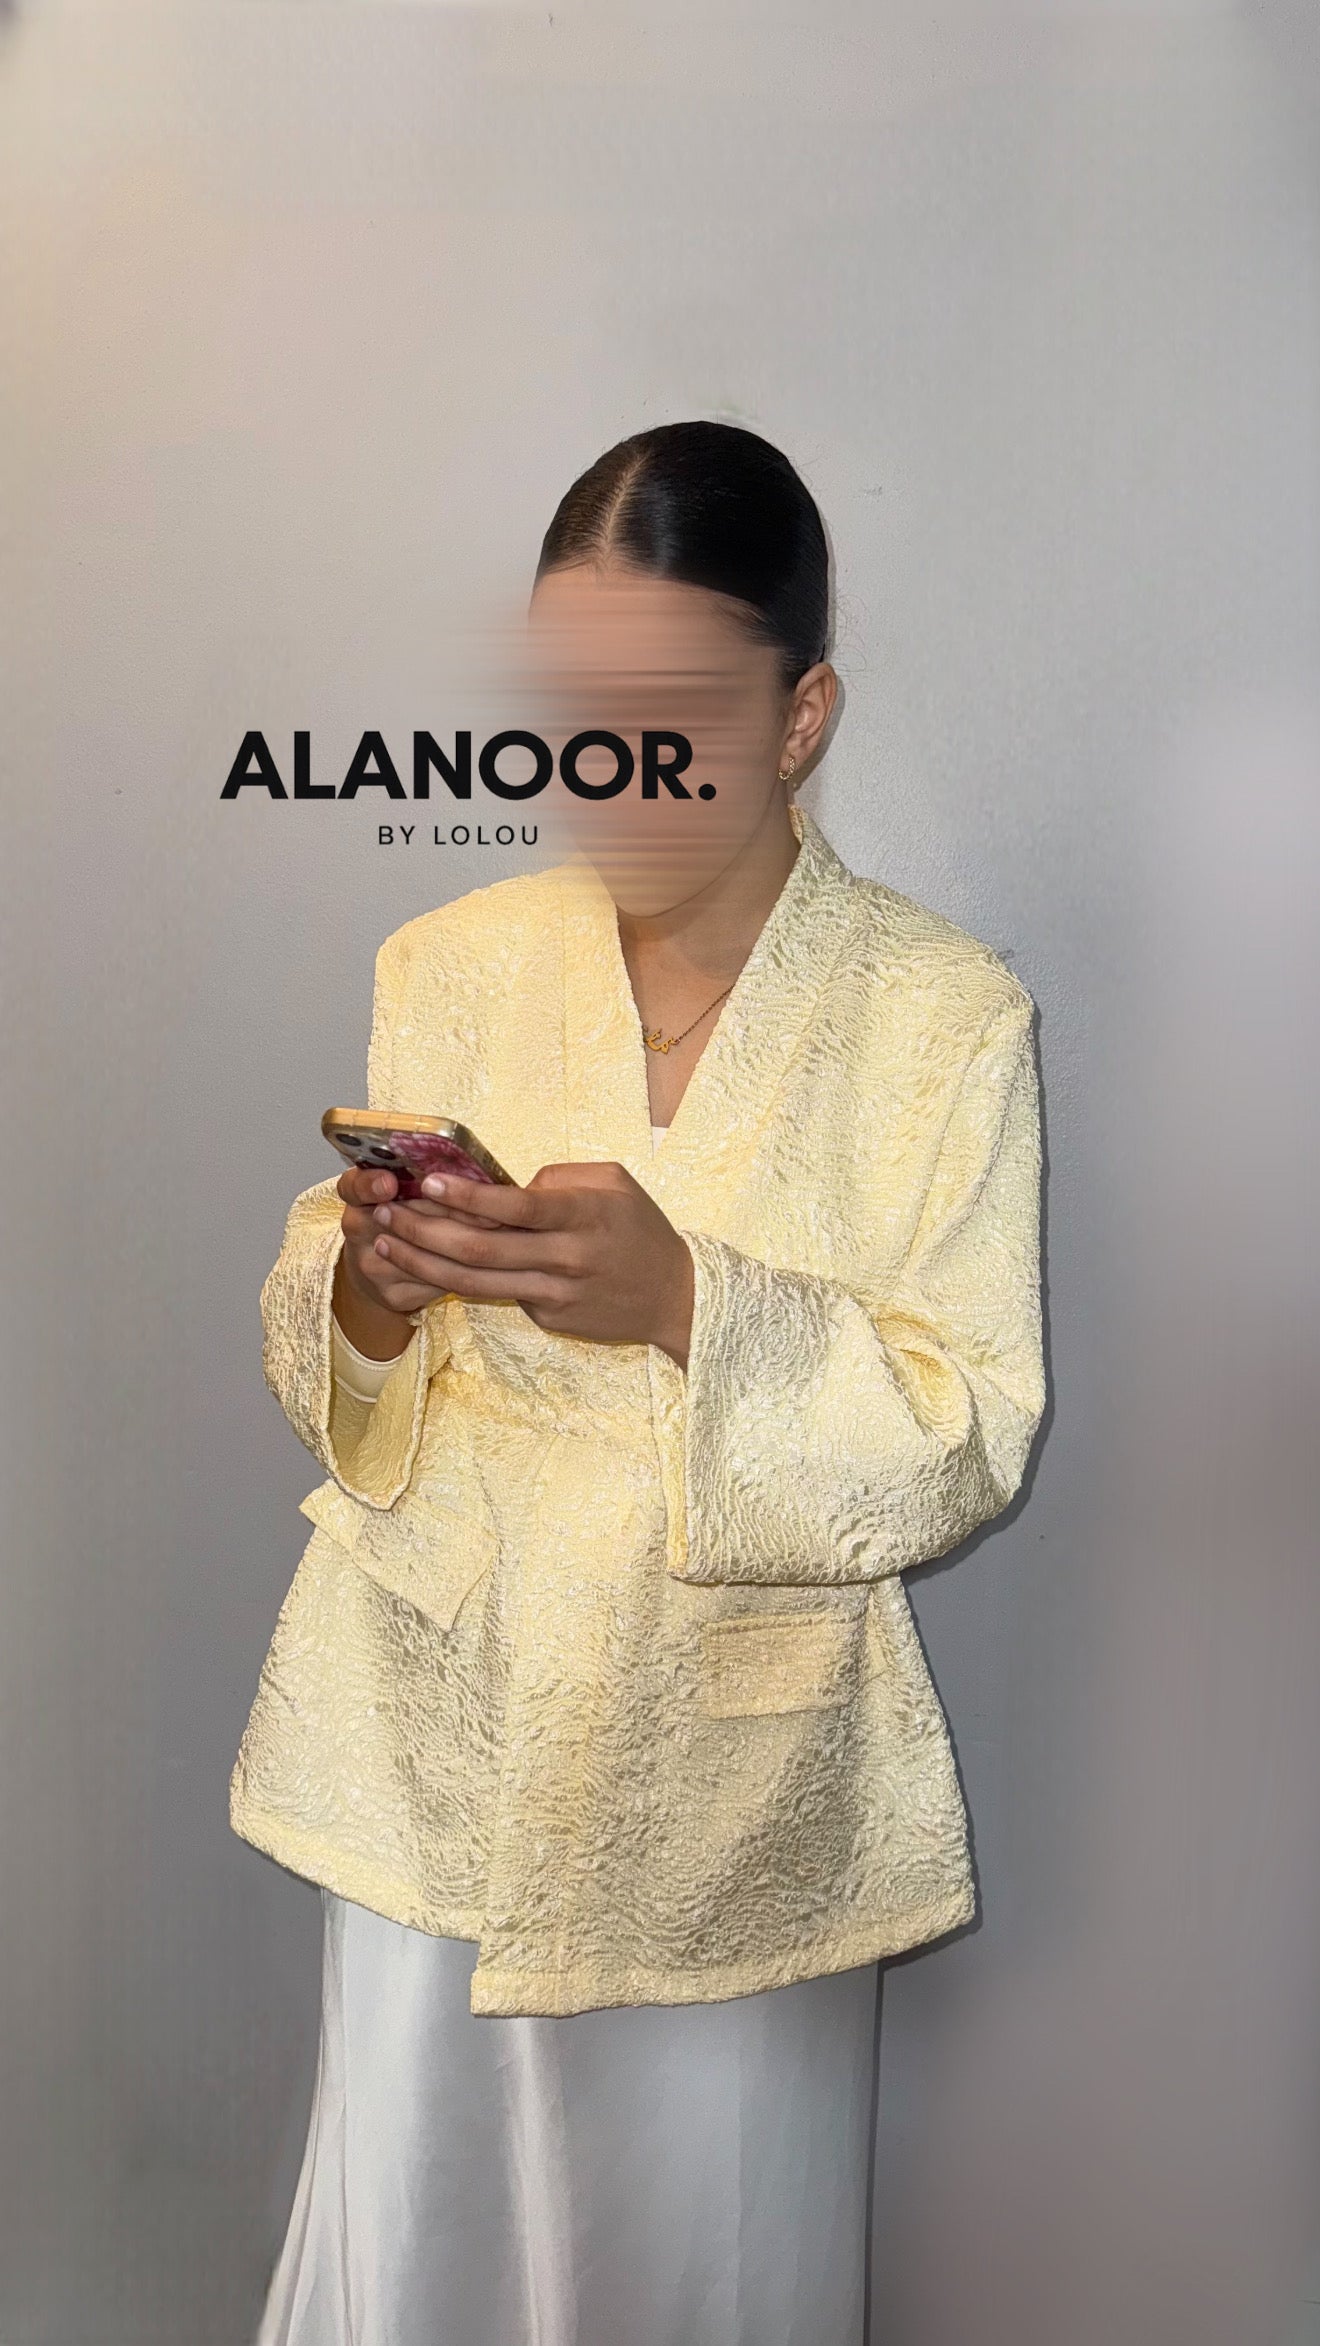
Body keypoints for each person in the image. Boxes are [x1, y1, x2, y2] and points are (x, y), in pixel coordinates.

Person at [230, 419, 1046, 2346]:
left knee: (709, 2269)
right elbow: (338, 1357)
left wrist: (693, 1301)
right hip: (436, 1732)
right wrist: (368, 1290)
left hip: (736, 1787)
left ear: (801, 712)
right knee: (420, 2243)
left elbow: (968, 1425)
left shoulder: (943, 1019)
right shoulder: (450, 959)